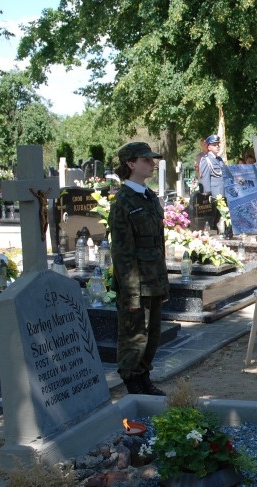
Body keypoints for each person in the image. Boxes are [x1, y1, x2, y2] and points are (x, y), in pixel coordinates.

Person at [109, 142, 169, 396]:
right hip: (136, 283)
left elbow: (159, 244)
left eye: (152, 160)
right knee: (135, 335)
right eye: (146, 160)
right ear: (131, 164)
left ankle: (144, 376)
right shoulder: (123, 202)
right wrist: (132, 292)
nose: (152, 164)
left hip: (154, 279)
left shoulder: (149, 196)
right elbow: (123, 253)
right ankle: (131, 379)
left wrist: (164, 282)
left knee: (152, 334)